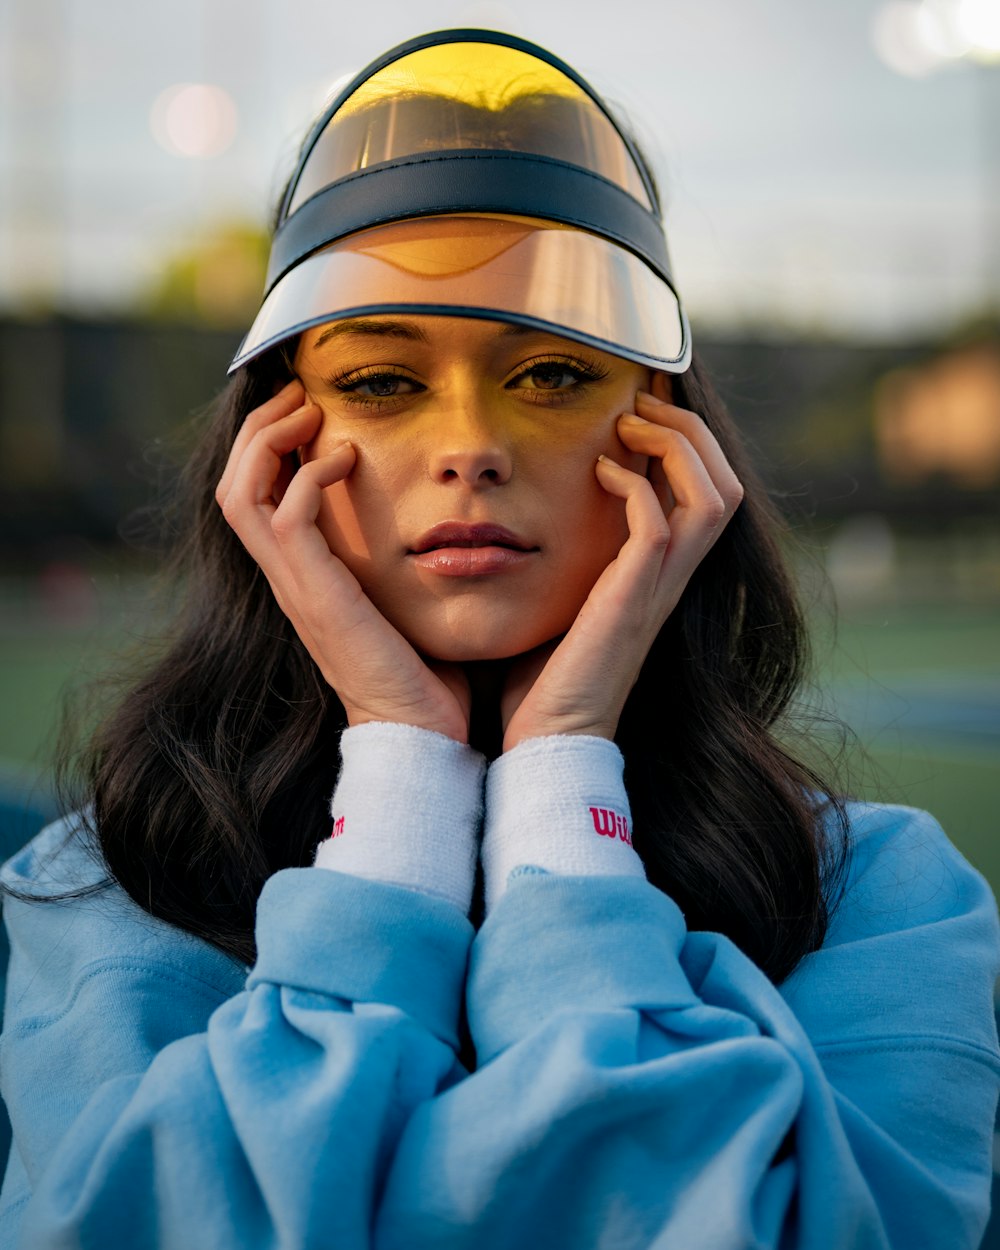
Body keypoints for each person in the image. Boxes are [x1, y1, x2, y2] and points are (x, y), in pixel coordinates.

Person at [1, 28, 997, 1250]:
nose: (469, 444)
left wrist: (562, 781)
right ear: (274, 452)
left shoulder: (890, 901)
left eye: (550, 372)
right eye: (380, 380)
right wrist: (403, 773)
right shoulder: (105, 885)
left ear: (668, 445)